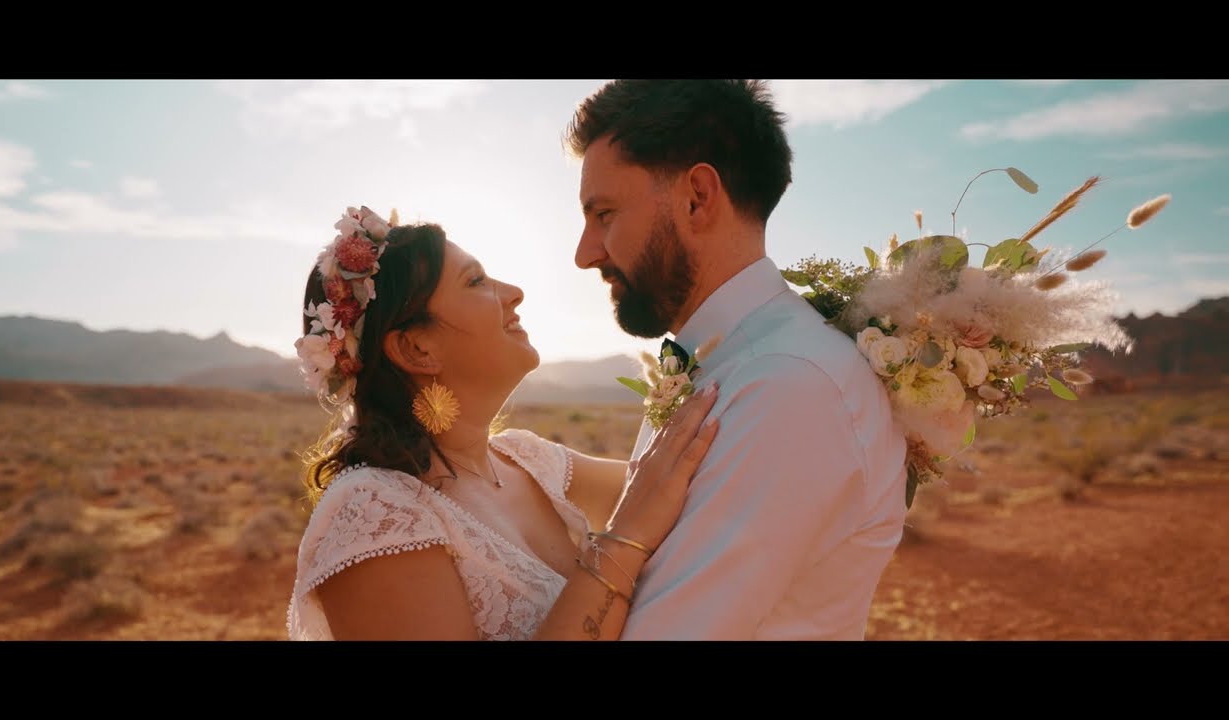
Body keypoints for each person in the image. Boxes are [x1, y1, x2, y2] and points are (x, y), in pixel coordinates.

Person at [565, 79, 909, 640]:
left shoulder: (789, 387)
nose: (585, 254)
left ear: (697, 198)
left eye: (604, 213)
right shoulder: (730, 364)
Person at [286, 206, 721, 640]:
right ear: (417, 349)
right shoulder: (375, 514)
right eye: (475, 281)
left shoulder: (528, 461)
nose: (514, 293)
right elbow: (642, 510)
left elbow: (687, 485)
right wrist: (626, 537)